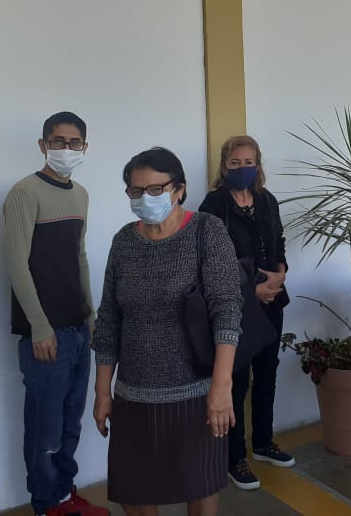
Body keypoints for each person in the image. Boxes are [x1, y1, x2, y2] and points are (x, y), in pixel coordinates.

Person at [92, 147, 242, 516]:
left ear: (179, 190)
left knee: (200, 486)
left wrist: (221, 387)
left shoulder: (207, 231)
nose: (146, 197)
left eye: (156, 189)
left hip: (196, 394)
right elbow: (109, 319)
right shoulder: (124, 241)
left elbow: (226, 311)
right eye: (136, 190)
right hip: (134, 396)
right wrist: (102, 391)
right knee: (133, 490)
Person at [3, 112, 108, 516]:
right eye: (58, 141)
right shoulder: (24, 193)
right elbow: (16, 264)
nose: (67, 149)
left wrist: (90, 315)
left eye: (74, 142)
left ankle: (64, 494)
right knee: (44, 429)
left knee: (69, 423)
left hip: (78, 329)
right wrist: (40, 327)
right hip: (45, 334)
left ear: (85, 146)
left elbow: (79, 256)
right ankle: (47, 504)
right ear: (43, 145)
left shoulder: (80, 195)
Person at [198, 136, 293, 491]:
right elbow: (209, 260)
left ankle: (264, 443)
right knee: (236, 380)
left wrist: (281, 273)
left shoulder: (267, 201)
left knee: (268, 373)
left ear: (258, 164)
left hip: (272, 301)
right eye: (235, 163)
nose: (242, 168)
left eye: (248, 162)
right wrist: (251, 290)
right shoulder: (213, 206)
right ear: (225, 167)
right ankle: (234, 456)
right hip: (235, 305)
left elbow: (278, 242)